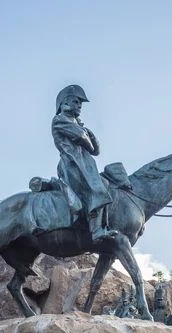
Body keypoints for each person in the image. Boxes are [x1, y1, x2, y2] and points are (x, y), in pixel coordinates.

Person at [52, 84, 118, 243]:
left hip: (84, 163)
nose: (79, 105)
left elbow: (95, 149)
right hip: (72, 163)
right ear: (64, 103)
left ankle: (99, 225)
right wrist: (83, 133)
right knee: (96, 188)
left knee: (104, 184)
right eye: (75, 102)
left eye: (80, 103)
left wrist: (86, 131)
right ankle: (95, 231)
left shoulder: (76, 123)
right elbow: (83, 140)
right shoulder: (60, 120)